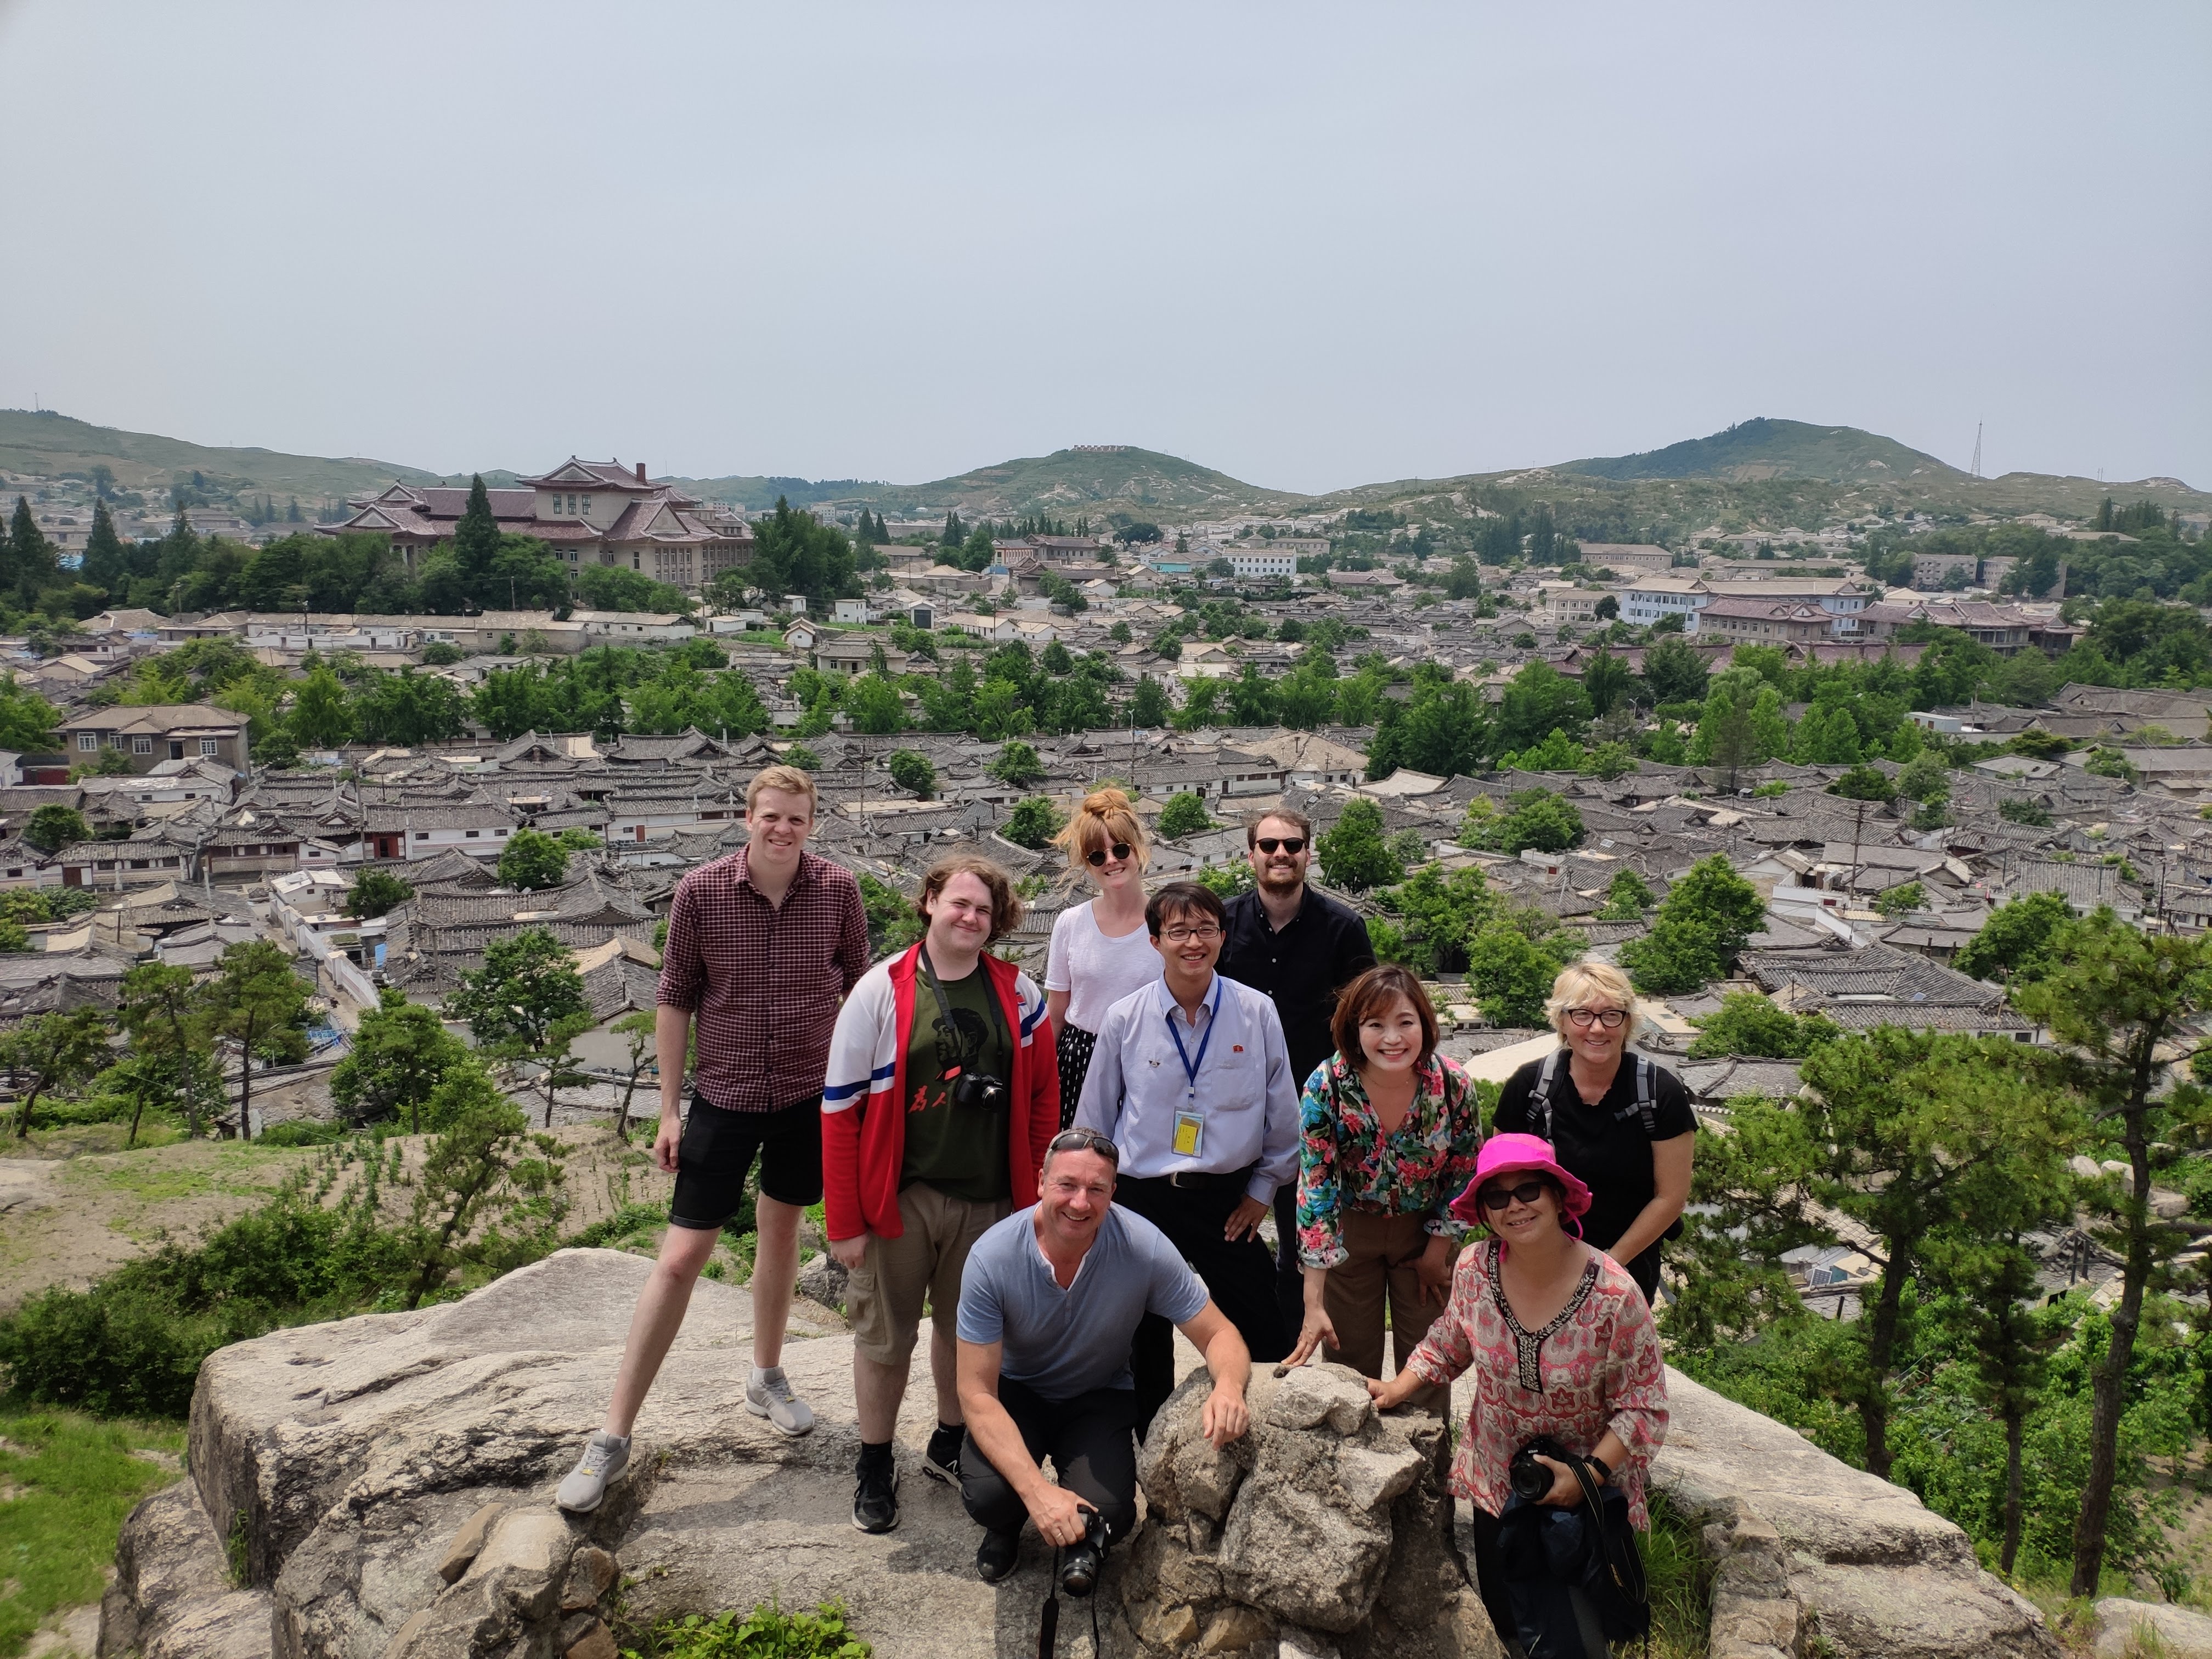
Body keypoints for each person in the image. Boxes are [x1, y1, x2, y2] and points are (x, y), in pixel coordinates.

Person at [558, 764, 868, 1513]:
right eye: (770, 816)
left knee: (782, 1229)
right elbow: (674, 1000)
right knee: (681, 1256)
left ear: (812, 824)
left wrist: (860, 1100)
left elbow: (861, 991)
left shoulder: (837, 891)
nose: (782, 829)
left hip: (808, 1092)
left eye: (796, 819)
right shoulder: (701, 893)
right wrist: (669, 1109)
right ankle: (612, 1433)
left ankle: (766, 1376)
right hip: (724, 1094)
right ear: (746, 817)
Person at [821, 855, 1059, 1535]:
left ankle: (950, 1442)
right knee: (885, 1337)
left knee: (970, 1335)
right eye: (958, 903)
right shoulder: (881, 990)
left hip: (989, 1198)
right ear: (929, 903)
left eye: (984, 910)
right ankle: (874, 1460)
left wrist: (1034, 1197)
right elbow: (840, 1114)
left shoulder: (1019, 995)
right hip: (900, 1195)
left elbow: (1043, 1099)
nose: (970, 918)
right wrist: (845, 1223)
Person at [1368, 1133, 1668, 1656]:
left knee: (1579, 1638)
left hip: (1585, 1494)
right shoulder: (1473, 1269)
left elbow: (1643, 1407)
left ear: (1557, 1196)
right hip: (1498, 1481)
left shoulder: (1614, 1295)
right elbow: (1450, 1341)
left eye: (1529, 1190)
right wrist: (1398, 1387)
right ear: (1484, 1212)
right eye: (1497, 1197)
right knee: (1509, 1623)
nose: (1515, 1207)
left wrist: (1587, 1477)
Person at [956, 1128, 1253, 1587]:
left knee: (1114, 1515)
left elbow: (1220, 1334)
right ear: (1041, 1182)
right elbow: (975, 1393)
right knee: (990, 1496)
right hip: (1017, 1393)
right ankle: (1008, 1525)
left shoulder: (1143, 1246)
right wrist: (1037, 1494)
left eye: (1097, 1189)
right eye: (1067, 1185)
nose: (1080, 1203)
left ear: (1114, 1192)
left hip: (1097, 1392)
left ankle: (1081, 1535)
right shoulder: (992, 1258)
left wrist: (1229, 1388)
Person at [1074, 879, 1299, 1436]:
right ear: (1155, 942)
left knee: (1264, 1329)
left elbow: (1283, 1117)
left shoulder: (1256, 1012)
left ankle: (1264, 1438)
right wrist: (1097, 1198)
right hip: (1143, 1197)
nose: (1192, 942)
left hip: (1230, 1199)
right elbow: (1094, 1121)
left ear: (1222, 936)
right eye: (1178, 931)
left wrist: (1261, 1192)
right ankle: (1151, 1445)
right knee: (1140, 1335)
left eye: (1204, 929)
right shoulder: (1125, 1019)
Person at [1284, 964, 1483, 1413]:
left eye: (1405, 1023)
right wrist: (1312, 1301)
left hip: (1427, 1229)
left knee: (1429, 1359)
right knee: (1348, 1356)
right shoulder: (1328, 1086)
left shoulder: (1452, 1085)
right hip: (1352, 1232)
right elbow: (1317, 1185)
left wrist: (1438, 1253)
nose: (1392, 1038)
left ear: (1425, 1025)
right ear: (1355, 1030)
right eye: (1376, 1025)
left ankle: (1431, 1468)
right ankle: (1356, 1462)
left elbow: (1464, 1171)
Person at [1216, 808, 1376, 1338]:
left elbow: (1364, 1021)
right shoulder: (1222, 924)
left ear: (1308, 853)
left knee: (1304, 1237)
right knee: (1227, 1235)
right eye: (1268, 846)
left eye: (1292, 845)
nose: (1280, 854)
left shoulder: (1344, 929)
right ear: (1251, 855)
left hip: (1316, 1110)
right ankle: (1245, 1346)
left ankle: (1296, 1347)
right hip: (1232, 1104)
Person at [1492, 962, 1694, 1306]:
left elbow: (1670, 1197)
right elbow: (1497, 1181)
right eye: (1582, 1015)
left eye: (1611, 1015)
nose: (1597, 1029)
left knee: (1613, 1358)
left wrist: (1608, 1264)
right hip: (1540, 1259)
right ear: (1562, 1021)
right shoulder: (1529, 1088)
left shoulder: (1660, 1092)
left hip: (1628, 1264)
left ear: (1628, 1021)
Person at [1044, 788, 1159, 1128]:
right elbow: (1056, 1013)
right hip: (1080, 1055)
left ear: (1137, 849)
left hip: (1150, 1056)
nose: (1111, 861)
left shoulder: (1167, 921)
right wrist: (1040, 1078)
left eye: (1120, 849)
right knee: (1081, 1162)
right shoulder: (1070, 923)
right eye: (1097, 855)